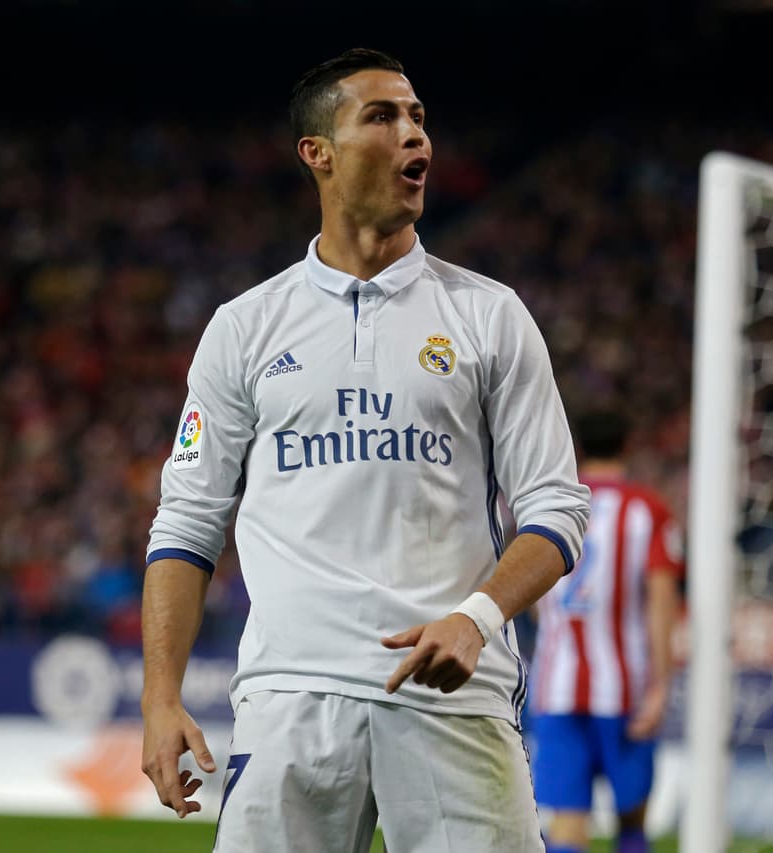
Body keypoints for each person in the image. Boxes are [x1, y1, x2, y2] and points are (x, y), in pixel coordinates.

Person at [138, 47, 590, 853]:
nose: (415, 136)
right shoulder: (245, 327)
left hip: (455, 695)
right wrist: (159, 696)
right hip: (292, 699)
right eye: (383, 117)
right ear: (319, 152)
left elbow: (558, 508)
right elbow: (188, 521)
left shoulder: (490, 316)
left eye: (419, 118)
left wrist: (476, 618)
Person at [527, 409, 684, 853]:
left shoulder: (552, 503)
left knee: (567, 821)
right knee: (631, 815)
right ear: (629, 445)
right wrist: (660, 684)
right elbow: (661, 600)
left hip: (556, 686)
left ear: (578, 447)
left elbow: (538, 599)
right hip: (624, 688)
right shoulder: (646, 508)